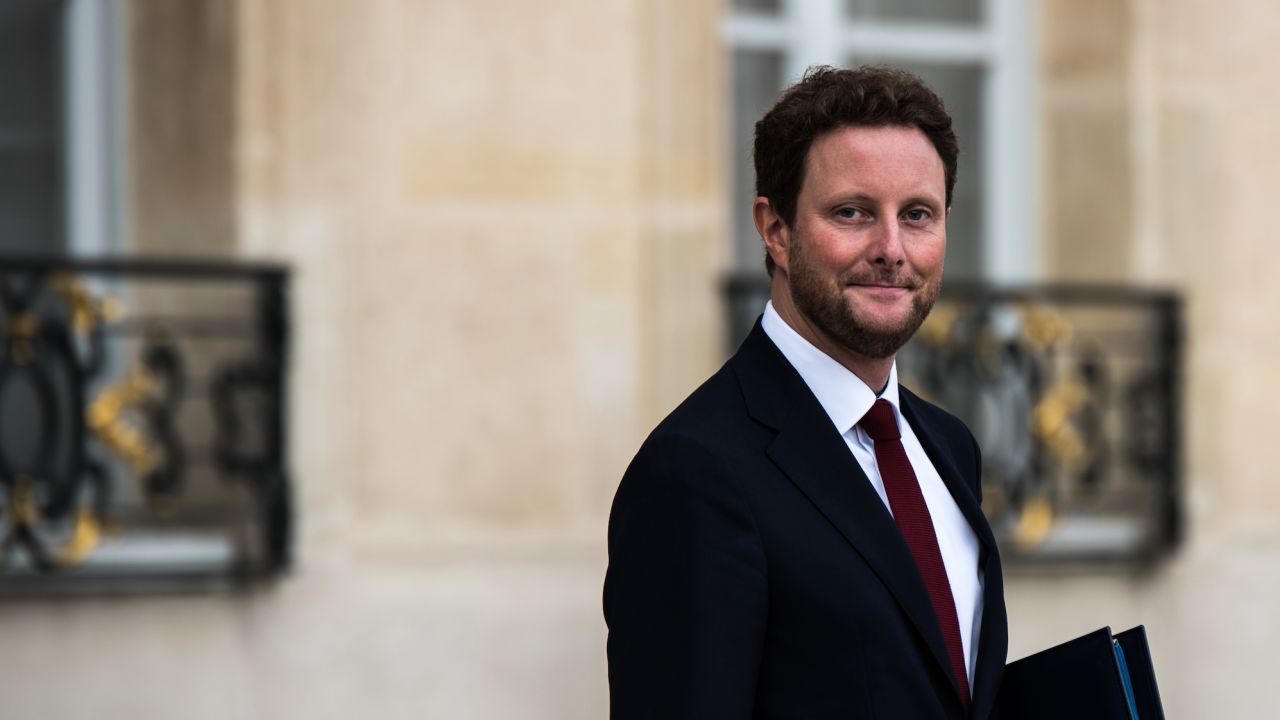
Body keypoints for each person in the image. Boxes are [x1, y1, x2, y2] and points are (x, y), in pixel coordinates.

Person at [603, 66, 1007, 719]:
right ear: (776, 230)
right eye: (852, 213)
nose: (891, 249)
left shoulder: (949, 448)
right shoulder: (695, 473)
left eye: (918, 215)